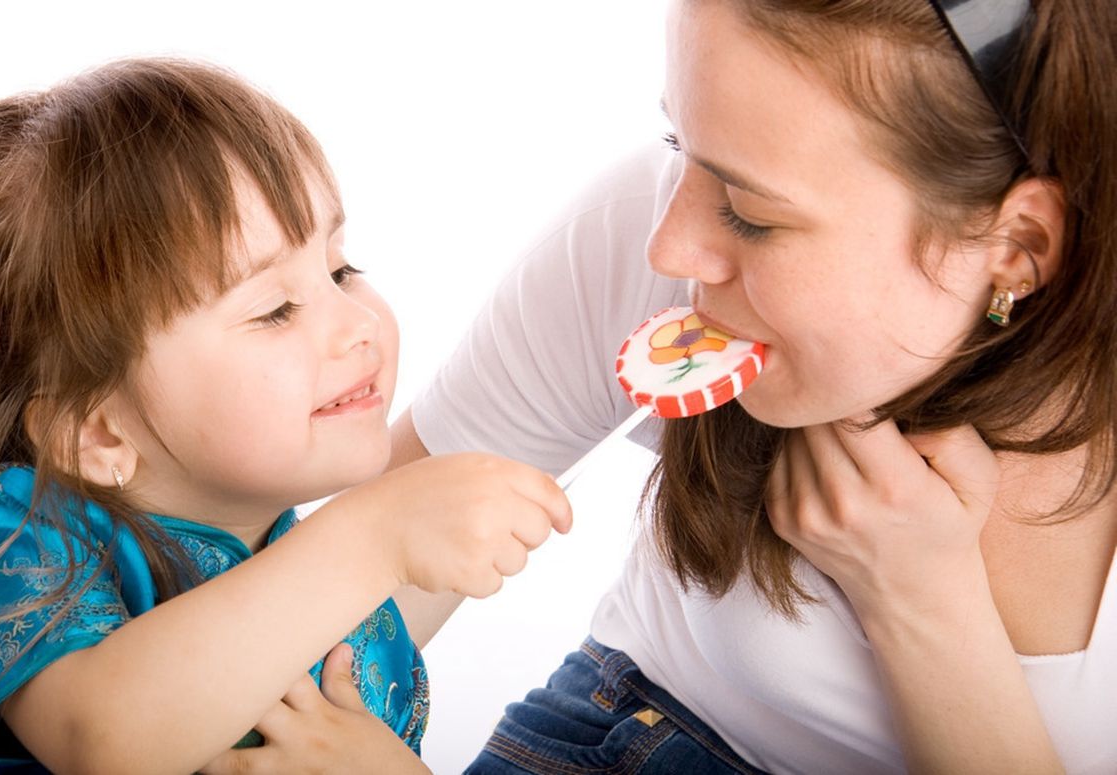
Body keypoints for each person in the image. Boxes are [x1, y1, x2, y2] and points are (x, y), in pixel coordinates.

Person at [380, 0, 1117, 772]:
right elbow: (339, 618)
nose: (668, 246)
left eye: (750, 214)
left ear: (1018, 243)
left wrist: (919, 600)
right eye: (678, 142)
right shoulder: (638, 231)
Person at [0, 58, 571, 774]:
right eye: (275, 310)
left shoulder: (332, 594)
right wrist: (368, 535)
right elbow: (104, 738)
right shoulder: (23, 531)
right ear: (99, 430)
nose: (356, 323)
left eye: (340, 268)